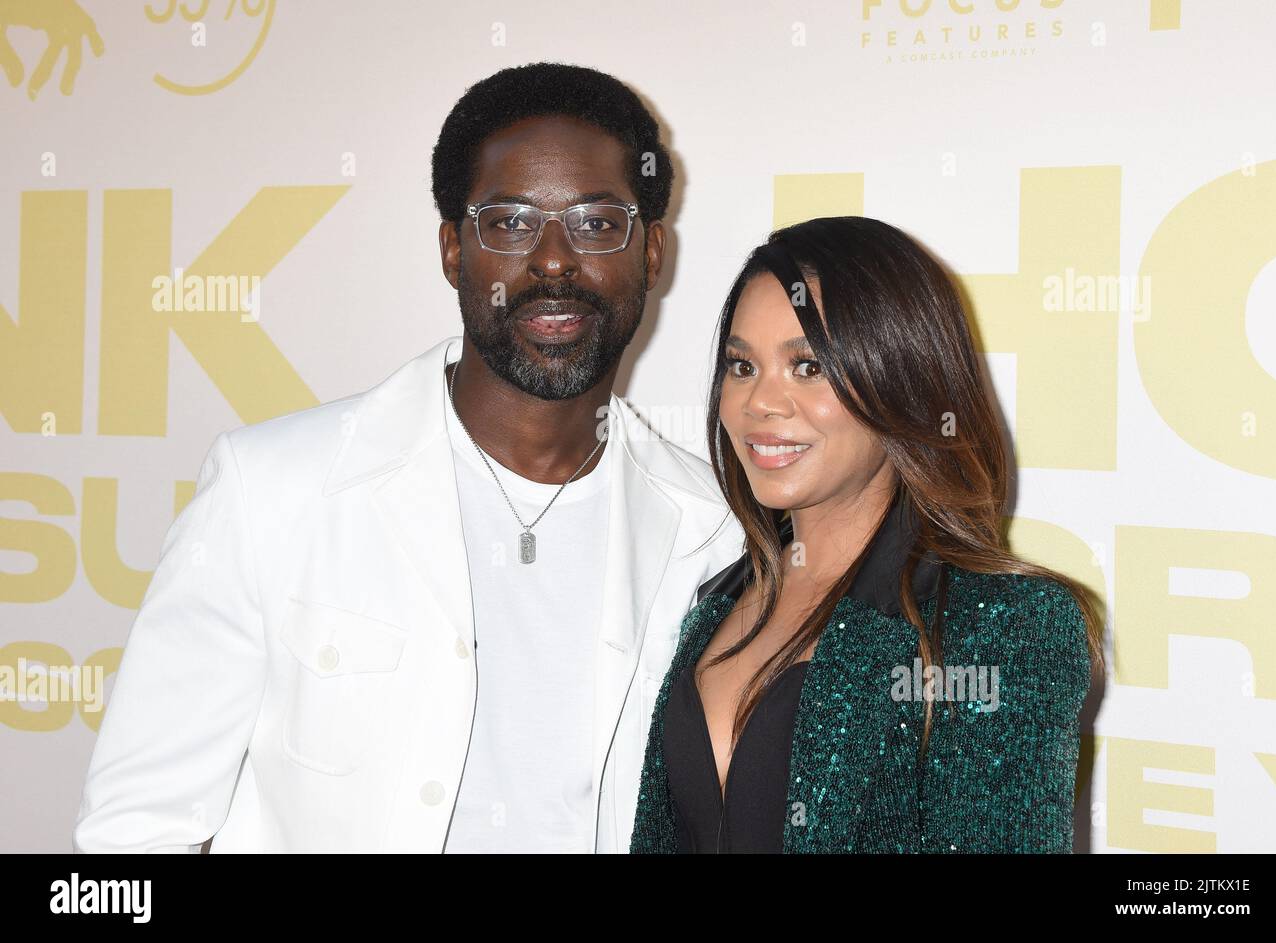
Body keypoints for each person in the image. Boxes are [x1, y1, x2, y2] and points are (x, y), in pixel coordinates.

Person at [72, 62, 744, 853]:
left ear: (653, 254)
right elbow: (134, 834)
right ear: (454, 251)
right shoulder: (272, 492)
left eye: (597, 223)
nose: (555, 258)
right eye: (510, 222)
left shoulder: (717, 531)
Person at [630, 217, 1105, 854]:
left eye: (807, 367)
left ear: (900, 381)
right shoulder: (715, 600)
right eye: (741, 365)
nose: (759, 403)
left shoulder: (1003, 627)